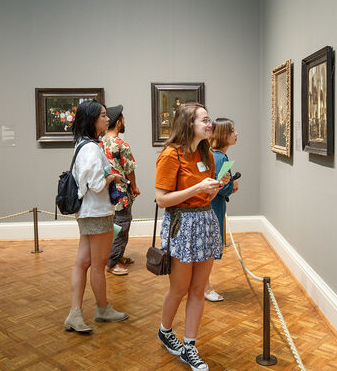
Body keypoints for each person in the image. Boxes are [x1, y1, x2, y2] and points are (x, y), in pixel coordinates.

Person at [155, 103, 230, 371]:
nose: (210, 125)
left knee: (198, 290)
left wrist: (214, 187)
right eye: (205, 120)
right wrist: (198, 186)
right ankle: (165, 331)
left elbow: (205, 194)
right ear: (189, 124)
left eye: (209, 120)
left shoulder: (206, 153)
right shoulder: (170, 155)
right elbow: (161, 199)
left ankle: (189, 346)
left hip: (206, 220)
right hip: (182, 226)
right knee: (179, 289)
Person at [63, 100, 129, 333]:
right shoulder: (91, 148)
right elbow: (96, 185)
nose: (107, 119)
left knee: (82, 263)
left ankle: (75, 313)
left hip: (88, 212)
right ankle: (102, 309)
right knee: (98, 265)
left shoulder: (84, 144)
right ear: (92, 119)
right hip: (97, 212)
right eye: (102, 115)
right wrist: (112, 177)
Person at [102, 105, 141, 276]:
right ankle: (114, 262)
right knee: (122, 225)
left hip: (104, 192)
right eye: (123, 119)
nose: (125, 122)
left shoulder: (99, 142)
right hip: (120, 192)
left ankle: (119, 255)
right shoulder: (121, 144)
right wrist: (134, 186)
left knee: (113, 225)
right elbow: (129, 169)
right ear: (118, 123)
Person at [204, 118, 239, 302]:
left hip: (212, 205)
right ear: (223, 135)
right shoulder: (220, 157)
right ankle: (205, 288)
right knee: (210, 248)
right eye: (232, 131)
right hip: (213, 206)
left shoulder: (214, 154)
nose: (236, 134)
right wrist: (232, 186)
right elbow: (220, 186)